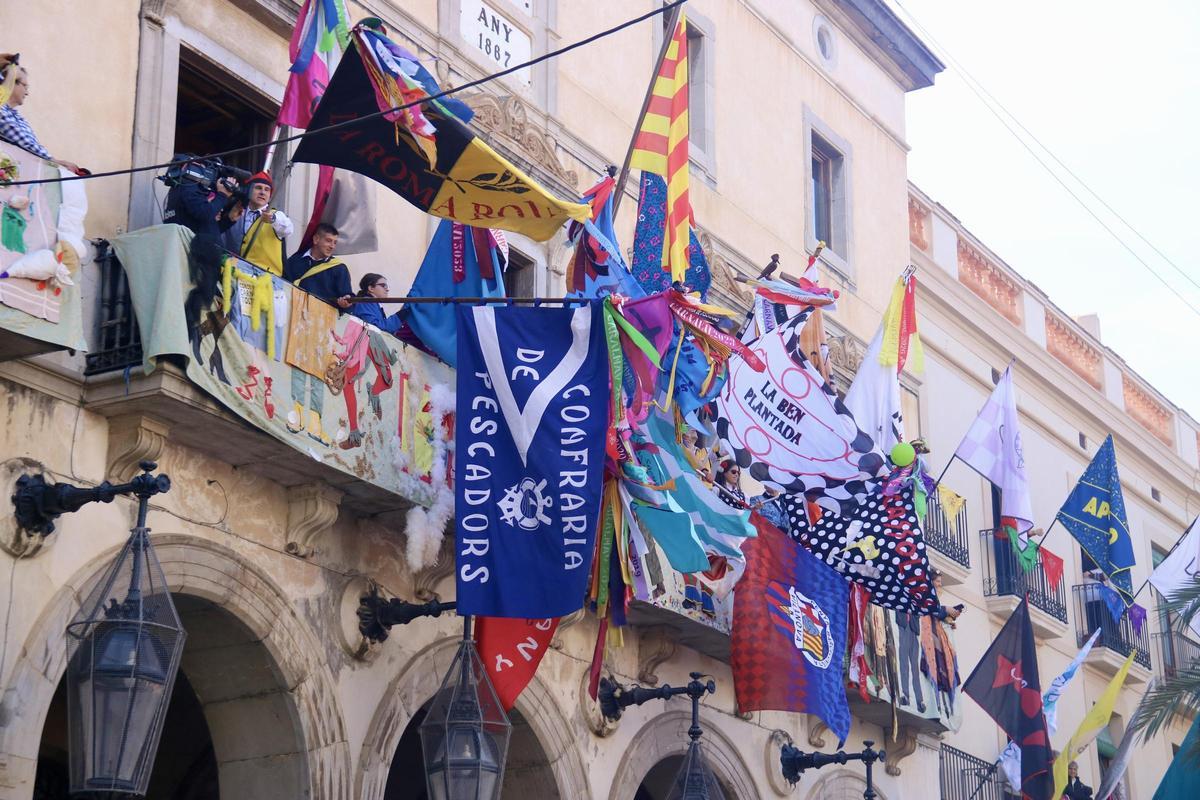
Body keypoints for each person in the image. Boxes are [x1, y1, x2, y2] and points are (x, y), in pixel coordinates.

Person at [0, 55, 83, 173]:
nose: (27, 92)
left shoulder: (15, 116)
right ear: (13, 83)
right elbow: (26, 144)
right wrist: (55, 162)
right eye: (25, 86)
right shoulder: (2, 111)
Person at [221, 171, 293, 275]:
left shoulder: (277, 215)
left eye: (267, 190)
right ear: (249, 190)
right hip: (231, 273)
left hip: (264, 280)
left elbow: (288, 229)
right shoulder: (235, 211)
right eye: (258, 188)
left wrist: (273, 219)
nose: (262, 192)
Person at [285, 223, 352, 308]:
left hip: (321, 318)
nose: (332, 246)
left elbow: (347, 296)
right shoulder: (295, 260)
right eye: (328, 240)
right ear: (316, 239)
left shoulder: (339, 268)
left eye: (335, 242)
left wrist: (347, 302)